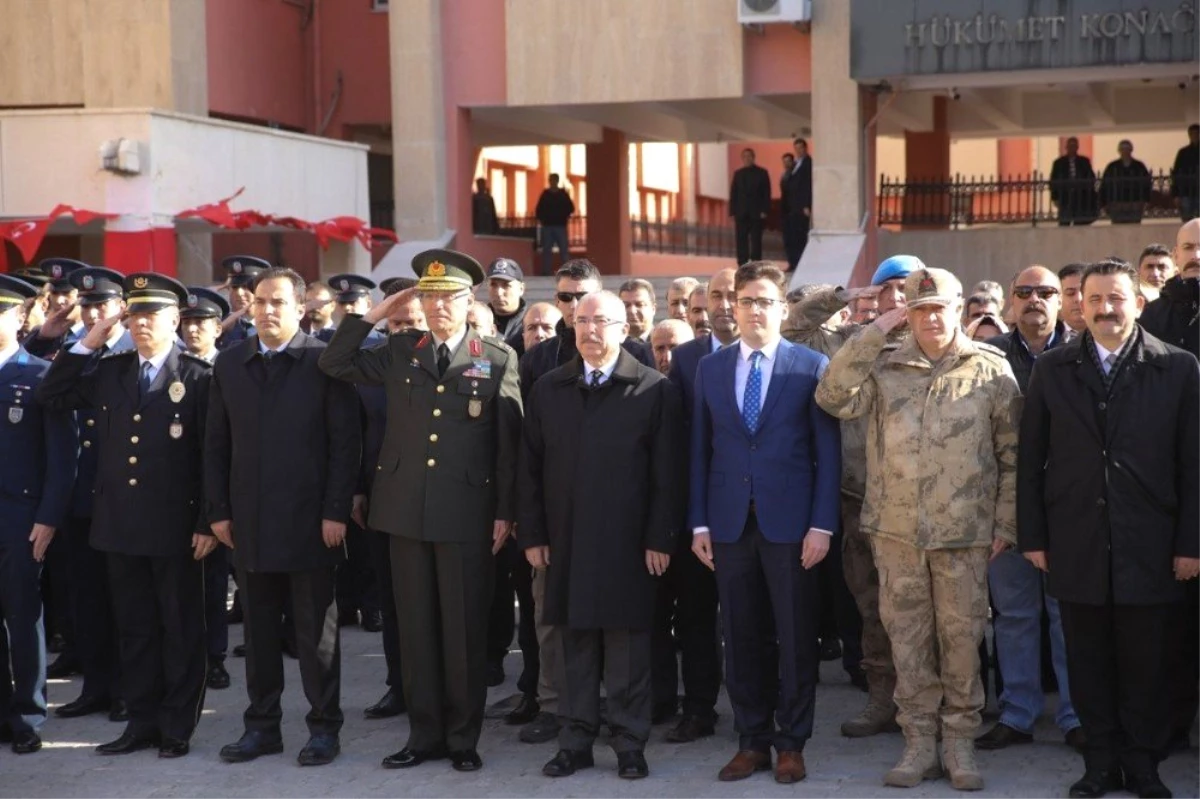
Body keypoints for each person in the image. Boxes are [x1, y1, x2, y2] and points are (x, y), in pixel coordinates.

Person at [817, 267, 1021, 791]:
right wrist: (874, 330)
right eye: (921, 308)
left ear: (960, 309)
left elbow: (1012, 456)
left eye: (940, 307)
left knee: (960, 643)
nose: (931, 317)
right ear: (907, 312)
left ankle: (959, 745)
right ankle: (918, 744)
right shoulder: (885, 367)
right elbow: (833, 396)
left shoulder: (991, 370)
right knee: (908, 644)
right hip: (896, 534)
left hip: (964, 536)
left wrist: (1005, 522)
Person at [319, 249, 521, 773]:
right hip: (404, 510)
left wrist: (505, 510)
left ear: (467, 300)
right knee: (416, 629)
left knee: (462, 629)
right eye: (427, 297)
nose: (436, 307)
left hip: (466, 513)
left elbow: (508, 442)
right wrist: (377, 313)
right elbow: (334, 362)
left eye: (447, 298)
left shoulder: (494, 356)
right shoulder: (399, 351)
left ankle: (462, 737)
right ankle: (423, 734)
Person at [1018, 259, 1200, 799]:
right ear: (1081, 306)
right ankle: (1099, 763)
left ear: (1138, 303)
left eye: (1116, 299)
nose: (1104, 310)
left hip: (1153, 543)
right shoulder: (1053, 368)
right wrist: (1035, 537)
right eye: (1093, 300)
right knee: (1088, 661)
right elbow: (1032, 460)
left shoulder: (1180, 369)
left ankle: (1143, 763)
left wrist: (1191, 544)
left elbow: (1193, 465)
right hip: (1076, 541)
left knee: (1147, 663)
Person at [38, 273, 213, 758]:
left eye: (151, 315)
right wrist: (88, 341)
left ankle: (176, 726)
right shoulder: (112, 371)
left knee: (178, 629)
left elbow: (212, 457)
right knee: (134, 629)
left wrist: (207, 521)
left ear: (175, 320)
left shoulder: (197, 376)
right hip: (118, 524)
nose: (141, 324)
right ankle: (141, 721)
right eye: (135, 315)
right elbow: (51, 395)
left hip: (177, 527)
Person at [519, 291, 682, 780]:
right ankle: (575, 741)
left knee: (628, 648)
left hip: (629, 543)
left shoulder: (654, 390)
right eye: (582, 321)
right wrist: (533, 534)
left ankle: (630, 743)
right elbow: (529, 470)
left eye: (602, 321)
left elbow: (667, 476)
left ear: (622, 328)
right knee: (574, 647)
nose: (590, 330)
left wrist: (660, 538)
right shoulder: (549, 388)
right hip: (565, 541)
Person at [691, 262, 841, 785]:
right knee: (741, 635)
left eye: (766, 301)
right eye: (746, 300)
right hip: (729, 525)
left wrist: (822, 525)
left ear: (783, 309)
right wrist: (698, 524)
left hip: (793, 527)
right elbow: (699, 453)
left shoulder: (811, 366)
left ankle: (791, 742)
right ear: (732, 306)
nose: (755, 310)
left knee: (796, 637)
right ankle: (751, 740)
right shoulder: (711, 369)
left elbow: (828, 454)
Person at [206, 266, 361, 768]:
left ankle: (323, 728)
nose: (268, 310)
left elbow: (345, 444)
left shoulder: (323, 362)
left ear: (301, 308)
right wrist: (218, 511)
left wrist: (336, 509)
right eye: (261, 302)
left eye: (279, 302)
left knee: (317, 634)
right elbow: (216, 445)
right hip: (249, 520)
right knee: (258, 633)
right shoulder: (231, 364)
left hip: (312, 521)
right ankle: (262, 726)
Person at [784, 255, 921, 739]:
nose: (900, 297)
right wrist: (847, 297)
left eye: (910, 288)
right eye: (891, 288)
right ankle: (882, 698)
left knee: (921, 611)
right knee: (871, 607)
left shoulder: (935, 343)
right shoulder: (845, 341)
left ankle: (925, 707)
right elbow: (795, 331)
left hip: (920, 508)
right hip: (858, 500)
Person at [975, 267, 1081, 753]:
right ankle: (1017, 714)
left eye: (1046, 292)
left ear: (1063, 300)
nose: (1035, 300)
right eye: (1024, 292)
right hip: (1005, 512)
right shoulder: (985, 358)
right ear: (1011, 303)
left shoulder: (1083, 355)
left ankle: (1077, 715)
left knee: (1067, 616)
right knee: (1013, 615)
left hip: (1069, 511)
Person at [37, 267, 133, 700]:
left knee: (124, 603)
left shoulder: (133, 352)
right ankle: (95, 687)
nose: (95, 313)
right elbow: (48, 395)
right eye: (88, 305)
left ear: (122, 309)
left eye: (103, 305)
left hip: (123, 498)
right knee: (86, 597)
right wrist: (72, 343)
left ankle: (127, 691)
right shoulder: (77, 351)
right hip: (80, 495)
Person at [653, 268, 737, 747]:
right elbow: (676, 441)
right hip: (696, 513)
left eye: (731, 297)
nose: (723, 307)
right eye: (713, 300)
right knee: (696, 617)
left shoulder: (775, 352)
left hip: (752, 509)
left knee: (751, 618)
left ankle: (757, 708)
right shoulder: (684, 359)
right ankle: (699, 708)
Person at [0, 275, 76, 755]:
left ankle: (26, 714)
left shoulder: (39, 374)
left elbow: (63, 457)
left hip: (21, 516)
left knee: (23, 616)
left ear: (21, 317)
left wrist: (49, 517)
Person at [1136, 246, 1200, 755]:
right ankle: (1173, 725)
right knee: (1174, 627)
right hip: (1170, 495)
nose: (1196, 255)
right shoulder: (1156, 316)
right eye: (1188, 248)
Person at [179, 287, 233, 691]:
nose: (194, 328)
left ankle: (215, 657)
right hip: (176, 496)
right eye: (188, 321)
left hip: (217, 495)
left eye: (202, 322)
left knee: (214, 585)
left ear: (219, 328)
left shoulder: (229, 370)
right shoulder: (174, 368)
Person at [729, 149, 771, 265]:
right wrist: (732, 211)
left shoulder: (762, 173)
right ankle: (742, 262)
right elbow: (734, 193)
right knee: (741, 238)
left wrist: (765, 210)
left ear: (753, 157)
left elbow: (766, 193)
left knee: (756, 239)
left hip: (757, 212)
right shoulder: (738, 174)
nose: (747, 158)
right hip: (741, 212)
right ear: (742, 159)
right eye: (745, 156)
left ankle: (756, 262)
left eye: (749, 156)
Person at [216, 255, 268, 350]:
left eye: (245, 287)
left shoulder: (271, 324)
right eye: (234, 287)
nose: (239, 293)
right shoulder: (219, 326)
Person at [1100, 140, 1152, 224]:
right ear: (1119, 151)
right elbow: (1105, 185)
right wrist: (1104, 203)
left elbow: (1146, 184)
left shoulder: (1139, 166)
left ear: (1131, 150)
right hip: (1116, 203)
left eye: (1127, 149)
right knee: (1117, 228)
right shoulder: (1112, 166)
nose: (1125, 151)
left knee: (1134, 226)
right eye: (1123, 149)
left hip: (1135, 202)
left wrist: (1147, 200)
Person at [1050, 137, 1099, 226]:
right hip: (1065, 196)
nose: (1072, 148)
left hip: (1081, 196)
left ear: (1077, 147)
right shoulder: (1059, 163)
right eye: (1070, 145)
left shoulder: (1084, 161)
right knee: (1064, 222)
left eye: (1074, 145)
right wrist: (1055, 197)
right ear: (1066, 147)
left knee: (1080, 221)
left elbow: (1091, 177)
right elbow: (1054, 180)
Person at [535, 174, 575, 276]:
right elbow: (539, 209)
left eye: (554, 180)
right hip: (548, 226)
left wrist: (563, 215)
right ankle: (546, 271)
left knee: (564, 250)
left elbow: (570, 208)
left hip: (560, 225)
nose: (552, 182)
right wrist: (543, 219)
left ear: (557, 181)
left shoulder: (563, 194)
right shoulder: (545, 194)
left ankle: (567, 272)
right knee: (547, 250)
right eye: (551, 180)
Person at [782, 138, 813, 270]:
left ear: (805, 148)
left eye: (801, 148)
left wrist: (807, 205)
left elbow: (808, 185)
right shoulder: (794, 165)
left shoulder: (809, 163)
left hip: (801, 207)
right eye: (796, 148)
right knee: (792, 236)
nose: (799, 151)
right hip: (790, 207)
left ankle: (801, 264)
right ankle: (793, 263)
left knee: (800, 236)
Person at [485, 258, 528, 351]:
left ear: (521, 289)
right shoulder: (477, 321)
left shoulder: (532, 321)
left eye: (506, 285)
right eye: (493, 284)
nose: (499, 292)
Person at [1170, 123, 1200, 221]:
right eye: (1192, 134)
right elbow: (1176, 174)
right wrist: (1176, 194)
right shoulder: (1183, 153)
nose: (1194, 136)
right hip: (1186, 191)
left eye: (1197, 133)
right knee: (1187, 221)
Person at [1058, 264, 1088, 337]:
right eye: (1070, 293)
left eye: (1084, 292)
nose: (1078, 299)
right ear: (1058, 299)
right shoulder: (1047, 340)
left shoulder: (1113, 337)